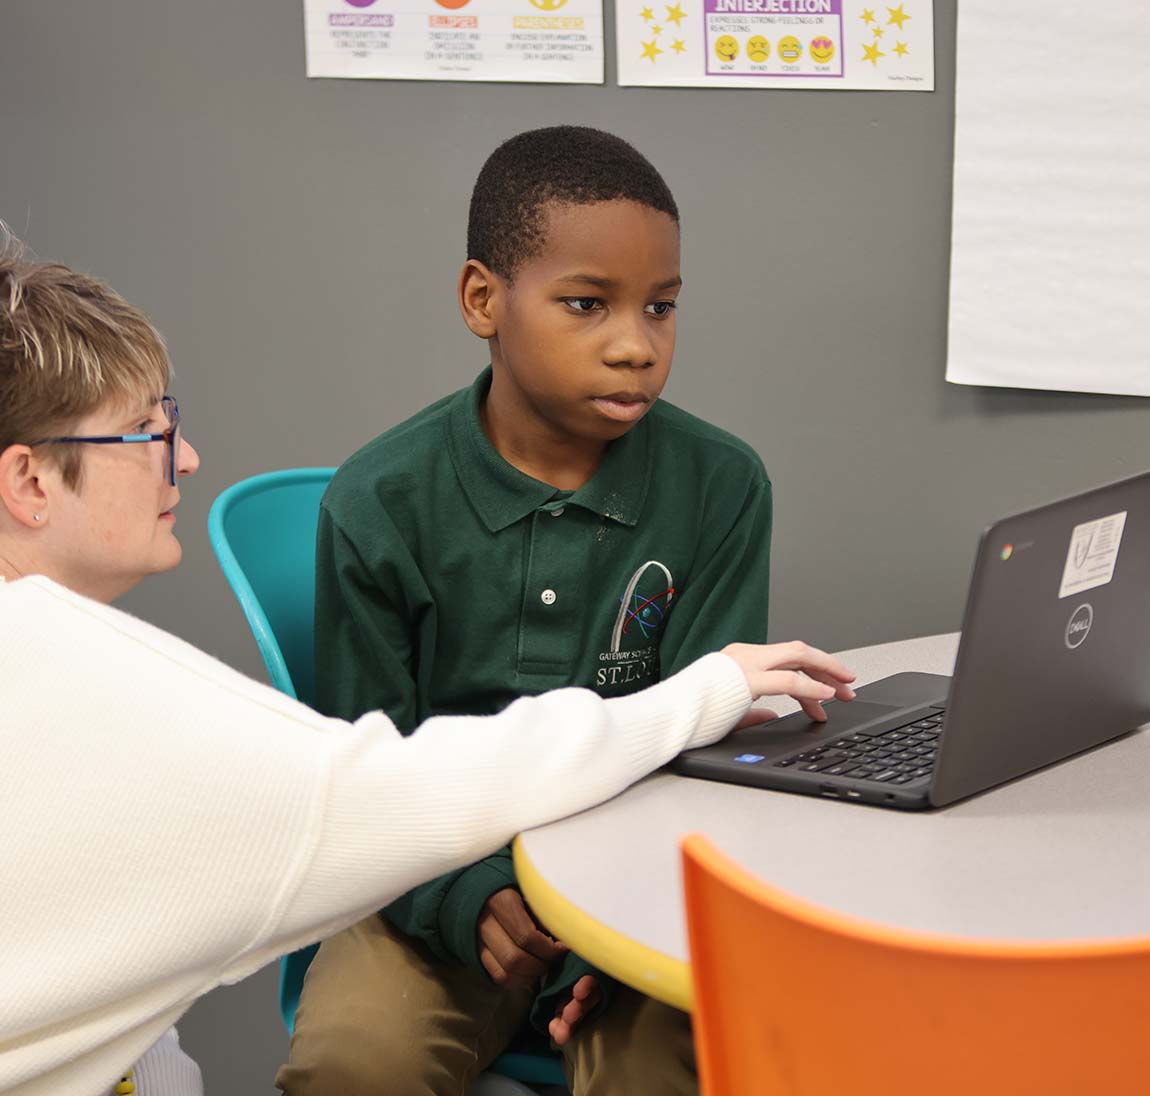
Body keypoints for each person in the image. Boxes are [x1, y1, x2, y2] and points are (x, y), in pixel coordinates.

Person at [0, 234, 855, 1096]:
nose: (183, 456)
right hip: (430, 888)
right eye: (148, 430)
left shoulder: (719, 481)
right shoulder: (125, 698)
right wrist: (707, 692)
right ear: (29, 482)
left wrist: (625, 926)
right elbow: (380, 797)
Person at [280, 126, 857, 1096]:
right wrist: (463, 898)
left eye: (662, 308)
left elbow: (703, 749)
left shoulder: (721, 485)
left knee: (667, 1069)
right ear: (482, 301)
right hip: (437, 877)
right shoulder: (380, 501)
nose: (636, 345)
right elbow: (366, 776)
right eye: (587, 305)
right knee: (352, 1067)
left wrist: (608, 948)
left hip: (644, 893)